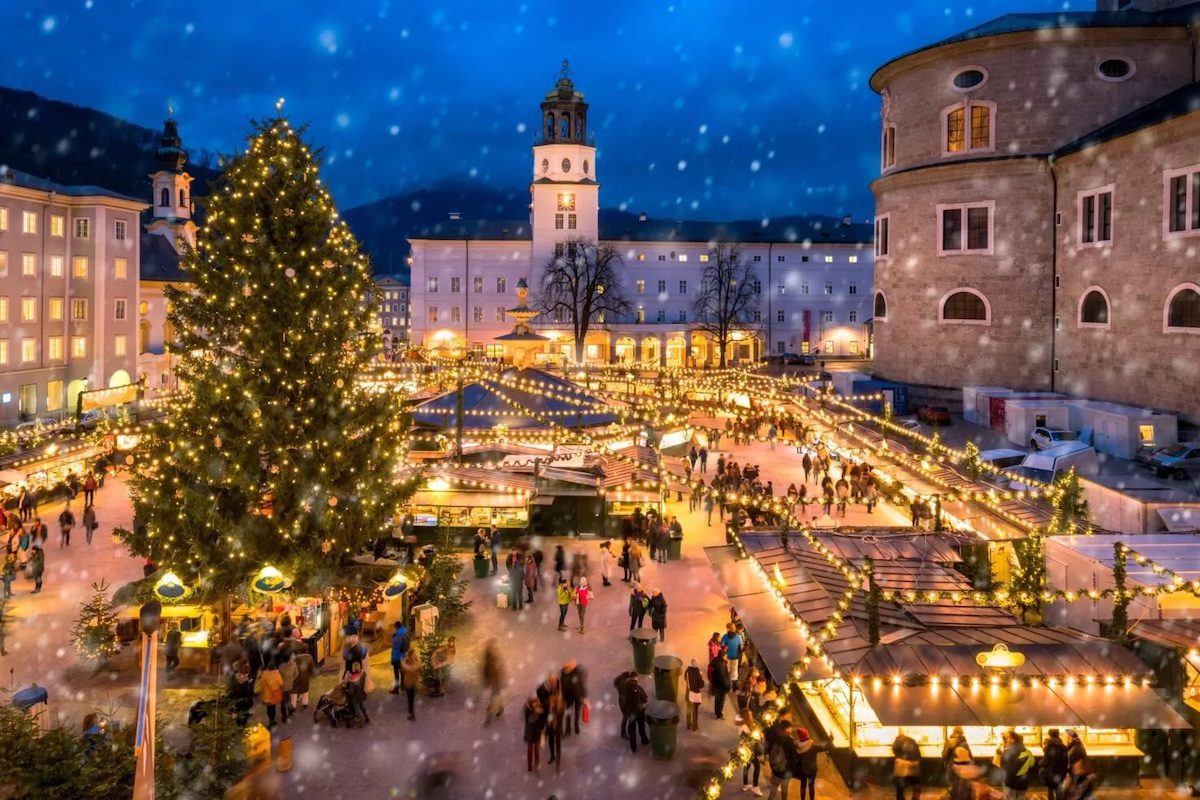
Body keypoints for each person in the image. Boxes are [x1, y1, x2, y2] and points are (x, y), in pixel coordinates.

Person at [615, 671, 649, 753]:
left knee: (632, 729)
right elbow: (644, 699)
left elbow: (623, 699)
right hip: (639, 711)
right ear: (636, 678)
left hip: (631, 712)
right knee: (641, 726)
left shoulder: (624, 688)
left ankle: (633, 747)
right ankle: (644, 740)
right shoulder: (638, 688)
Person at [765, 720, 798, 800]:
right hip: (785, 772)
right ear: (785, 729)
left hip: (775, 770)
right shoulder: (790, 743)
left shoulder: (775, 738)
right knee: (784, 789)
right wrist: (792, 772)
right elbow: (793, 759)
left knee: (773, 788)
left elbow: (769, 750)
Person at [999, 730, 1036, 800]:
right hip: (1023, 784)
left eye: (1008, 738)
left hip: (1010, 783)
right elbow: (1032, 766)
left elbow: (1003, 766)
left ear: (1012, 740)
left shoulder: (1008, 752)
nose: (1007, 740)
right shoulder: (1028, 752)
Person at [794, 727, 828, 800]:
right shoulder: (812, 746)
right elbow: (824, 747)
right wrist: (830, 740)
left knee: (803, 786)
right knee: (811, 786)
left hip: (802, 770)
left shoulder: (797, 746)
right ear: (807, 736)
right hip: (812, 770)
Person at [560, 659, 587, 737]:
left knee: (577, 712)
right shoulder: (563, 673)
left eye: (574, 664)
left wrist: (585, 697)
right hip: (568, 697)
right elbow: (562, 685)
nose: (573, 665)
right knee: (568, 713)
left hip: (577, 697)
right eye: (571, 664)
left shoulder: (578, 672)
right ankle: (568, 730)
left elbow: (582, 685)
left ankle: (576, 726)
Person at [481, 638, 505, 726]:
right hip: (495, 684)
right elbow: (486, 673)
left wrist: (489, 682)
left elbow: (496, 672)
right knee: (496, 697)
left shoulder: (492, 661)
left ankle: (488, 720)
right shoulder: (489, 662)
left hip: (496, 684)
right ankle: (500, 708)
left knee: (492, 701)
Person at [892, 729, 921, 800]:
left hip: (902, 766)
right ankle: (915, 798)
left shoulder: (898, 741)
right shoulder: (912, 741)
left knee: (900, 787)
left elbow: (894, 750)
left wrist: (899, 758)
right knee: (916, 784)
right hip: (914, 764)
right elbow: (918, 754)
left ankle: (900, 798)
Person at [1041, 728, 1069, 800]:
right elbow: (1066, 760)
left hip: (1050, 773)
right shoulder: (1063, 746)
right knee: (1059, 790)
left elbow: (1046, 761)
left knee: (1050, 790)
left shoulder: (1049, 746)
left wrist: (1040, 763)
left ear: (1050, 735)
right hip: (1060, 773)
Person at [257, 659, 284, 728]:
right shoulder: (276, 674)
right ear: (275, 667)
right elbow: (281, 683)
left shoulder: (264, 674)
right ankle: (273, 720)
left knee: (269, 709)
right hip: (274, 695)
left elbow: (261, 685)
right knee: (273, 708)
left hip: (266, 696)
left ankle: (271, 720)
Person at [344, 660, 369, 724]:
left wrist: (347, 691)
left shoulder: (353, 678)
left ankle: (359, 717)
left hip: (356, 696)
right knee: (361, 704)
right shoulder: (362, 674)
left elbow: (351, 691)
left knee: (356, 705)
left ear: (353, 668)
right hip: (362, 694)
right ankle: (366, 714)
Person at [523, 696, 544, 772]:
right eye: (533, 702)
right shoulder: (527, 709)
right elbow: (528, 720)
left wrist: (541, 714)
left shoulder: (539, 707)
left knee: (537, 750)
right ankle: (529, 765)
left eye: (536, 702)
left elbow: (542, 720)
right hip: (530, 732)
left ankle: (537, 763)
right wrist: (536, 713)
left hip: (537, 731)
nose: (535, 704)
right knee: (530, 749)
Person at [399, 647, 420, 720]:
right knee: (411, 698)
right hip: (413, 682)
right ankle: (410, 710)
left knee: (410, 698)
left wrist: (402, 661)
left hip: (409, 683)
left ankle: (412, 714)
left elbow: (408, 669)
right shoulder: (416, 661)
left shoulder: (411, 664)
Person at [710, 649, 731, 720]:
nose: (726, 657)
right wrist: (728, 686)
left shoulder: (715, 661)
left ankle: (717, 712)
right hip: (721, 686)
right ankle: (719, 715)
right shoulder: (721, 665)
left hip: (716, 684)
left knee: (717, 699)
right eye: (726, 656)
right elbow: (723, 677)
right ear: (723, 656)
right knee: (721, 701)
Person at [684, 658, 705, 731]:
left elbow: (685, 678)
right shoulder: (697, 672)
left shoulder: (687, 671)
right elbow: (701, 685)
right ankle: (694, 726)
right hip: (695, 694)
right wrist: (701, 677)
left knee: (689, 710)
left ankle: (688, 725)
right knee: (695, 711)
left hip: (688, 693)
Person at [389, 621, 410, 694]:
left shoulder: (397, 635)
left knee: (396, 674)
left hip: (397, 656)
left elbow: (394, 647)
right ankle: (403, 685)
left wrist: (392, 658)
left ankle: (396, 689)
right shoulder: (405, 632)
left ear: (396, 627)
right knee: (403, 672)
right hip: (404, 656)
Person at [277, 651, 297, 721]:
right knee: (289, 700)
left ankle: (284, 717)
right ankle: (290, 712)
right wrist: (292, 679)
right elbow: (296, 674)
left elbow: (278, 677)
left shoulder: (280, 667)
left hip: (282, 687)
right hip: (290, 686)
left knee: (283, 702)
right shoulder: (294, 664)